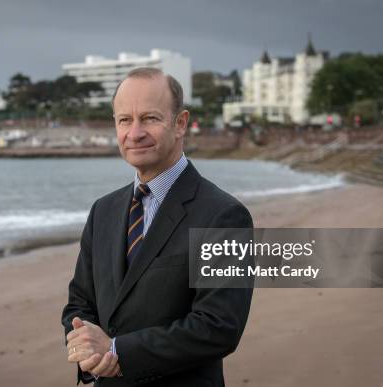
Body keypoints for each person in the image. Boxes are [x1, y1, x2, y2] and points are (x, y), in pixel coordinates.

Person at [62, 67, 253, 386]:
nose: (134, 133)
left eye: (149, 118)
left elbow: (219, 328)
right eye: (124, 120)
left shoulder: (224, 215)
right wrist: (89, 354)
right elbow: (79, 303)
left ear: (180, 123)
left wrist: (117, 352)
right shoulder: (103, 211)